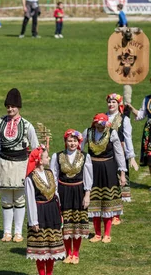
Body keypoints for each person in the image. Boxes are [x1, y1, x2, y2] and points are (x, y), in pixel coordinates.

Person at [0, 88, 39, 243]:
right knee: (6, 199)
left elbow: (35, 147)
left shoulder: (27, 125)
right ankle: (6, 232)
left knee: (19, 199)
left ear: (18, 107)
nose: (10, 109)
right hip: (4, 163)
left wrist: (33, 167)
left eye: (13, 106)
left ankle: (18, 232)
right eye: (8, 106)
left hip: (21, 165)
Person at [25, 146, 66, 275]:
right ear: (40, 161)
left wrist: (59, 210)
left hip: (52, 210)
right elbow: (30, 200)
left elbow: (56, 192)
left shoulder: (50, 173)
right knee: (40, 247)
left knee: (52, 245)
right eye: (46, 157)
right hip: (39, 211)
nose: (49, 159)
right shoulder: (30, 178)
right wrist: (33, 221)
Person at [81, 113, 126, 243]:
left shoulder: (112, 133)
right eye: (98, 124)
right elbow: (80, 149)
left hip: (108, 169)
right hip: (92, 168)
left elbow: (118, 153)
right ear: (94, 123)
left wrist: (122, 173)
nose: (100, 127)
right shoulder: (88, 132)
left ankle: (107, 233)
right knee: (94, 201)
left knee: (107, 201)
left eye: (102, 124)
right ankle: (97, 234)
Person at [50, 130, 92, 265]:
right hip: (63, 191)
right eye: (69, 140)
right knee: (66, 223)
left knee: (77, 223)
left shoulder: (85, 156)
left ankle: (76, 253)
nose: (72, 143)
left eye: (74, 141)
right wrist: (54, 194)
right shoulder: (57, 156)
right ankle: (68, 253)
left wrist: (87, 194)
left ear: (79, 142)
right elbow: (53, 176)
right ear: (65, 142)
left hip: (79, 191)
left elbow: (88, 176)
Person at [106, 93, 135, 208]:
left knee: (122, 170)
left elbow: (128, 137)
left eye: (114, 102)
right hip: (106, 149)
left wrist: (131, 155)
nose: (111, 104)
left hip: (120, 149)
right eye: (109, 102)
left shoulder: (124, 119)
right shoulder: (103, 117)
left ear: (118, 104)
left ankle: (124, 193)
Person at [128, 94, 151, 186]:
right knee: (150, 157)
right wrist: (131, 108)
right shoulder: (147, 99)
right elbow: (141, 115)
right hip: (150, 131)